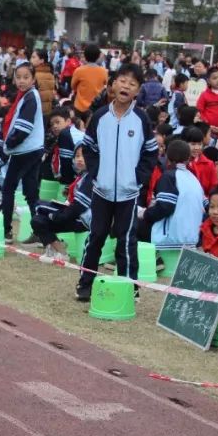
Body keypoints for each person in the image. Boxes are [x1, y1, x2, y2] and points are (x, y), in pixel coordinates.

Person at [75, 63, 158, 302]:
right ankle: (85, 283)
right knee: (97, 235)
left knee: (127, 240)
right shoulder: (100, 117)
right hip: (101, 190)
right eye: (122, 81)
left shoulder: (141, 119)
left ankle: (129, 287)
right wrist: (97, 173)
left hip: (128, 193)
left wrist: (137, 178)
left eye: (132, 84)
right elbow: (89, 148)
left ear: (137, 91)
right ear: (112, 84)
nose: (126, 86)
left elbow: (150, 153)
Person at [0, 62, 44, 243]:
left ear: (33, 79)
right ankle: (42, 231)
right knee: (31, 191)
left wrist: (7, 145)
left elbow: (23, 129)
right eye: (18, 77)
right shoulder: (27, 96)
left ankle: (6, 230)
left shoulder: (30, 98)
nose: (21, 81)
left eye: (26, 77)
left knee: (8, 188)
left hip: (24, 150)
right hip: (33, 149)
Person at [139, 138, 205, 254]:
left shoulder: (170, 176)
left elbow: (165, 207)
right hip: (192, 239)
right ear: (188, 157)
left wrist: (144, 213)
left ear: (168, 156)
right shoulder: (193, 178)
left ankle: (153, 259)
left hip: (171, 239)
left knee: (131, 225)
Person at [70, 44, 108, 123]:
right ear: (98, 56)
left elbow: (73, 86)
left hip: (79, 107)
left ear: (85, 56)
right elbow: (106, 86)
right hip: (95, 108)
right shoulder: (103, 71)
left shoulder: (79, 70)